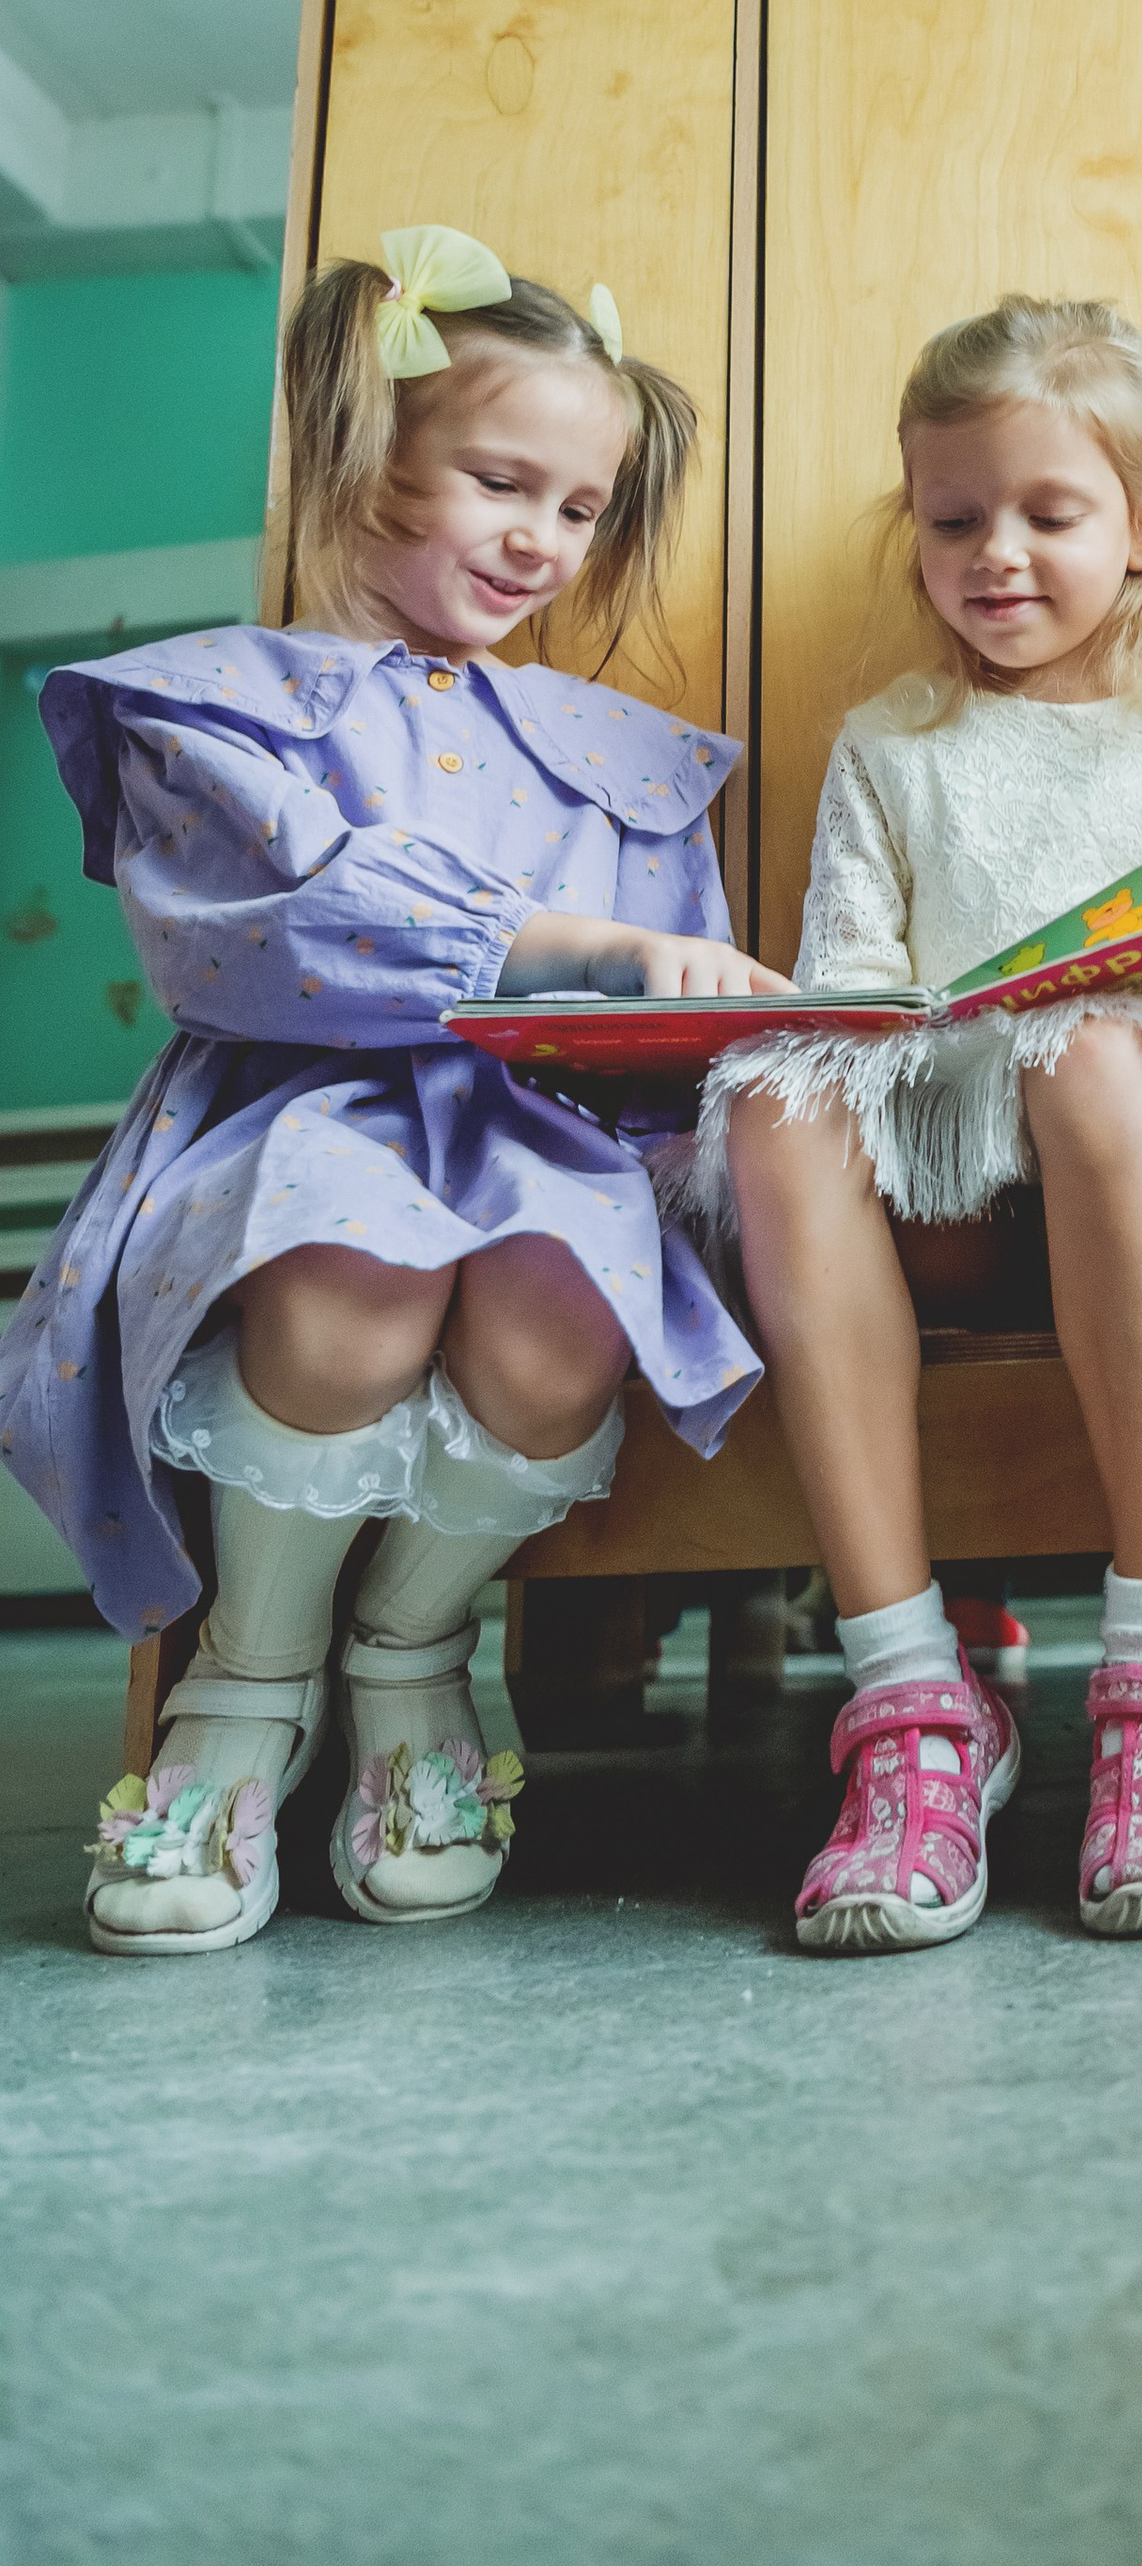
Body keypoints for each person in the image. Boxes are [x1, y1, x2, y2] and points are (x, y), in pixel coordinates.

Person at [0, 226, 781, 1956]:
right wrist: (580, 946)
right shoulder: (216, 707)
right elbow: (264, 924)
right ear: (368, 456)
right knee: (354, 1269)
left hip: (546, 1136)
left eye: (580, 508)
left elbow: (667, 1002)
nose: (542, 538)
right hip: (297, 1112)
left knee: (565, 1312)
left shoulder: (624, 761)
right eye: (502, 482)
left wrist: (683, 1017)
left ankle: (414, 1653)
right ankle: (248, 1677)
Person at [697, 295, 1142, 1955]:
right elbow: (850, 1001)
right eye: (954, 521)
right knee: (779, 1098)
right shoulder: (894, 744)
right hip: (952, 1184)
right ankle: (911, 1705)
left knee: (1086, 1051)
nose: (995, 555)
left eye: (1048, 514)